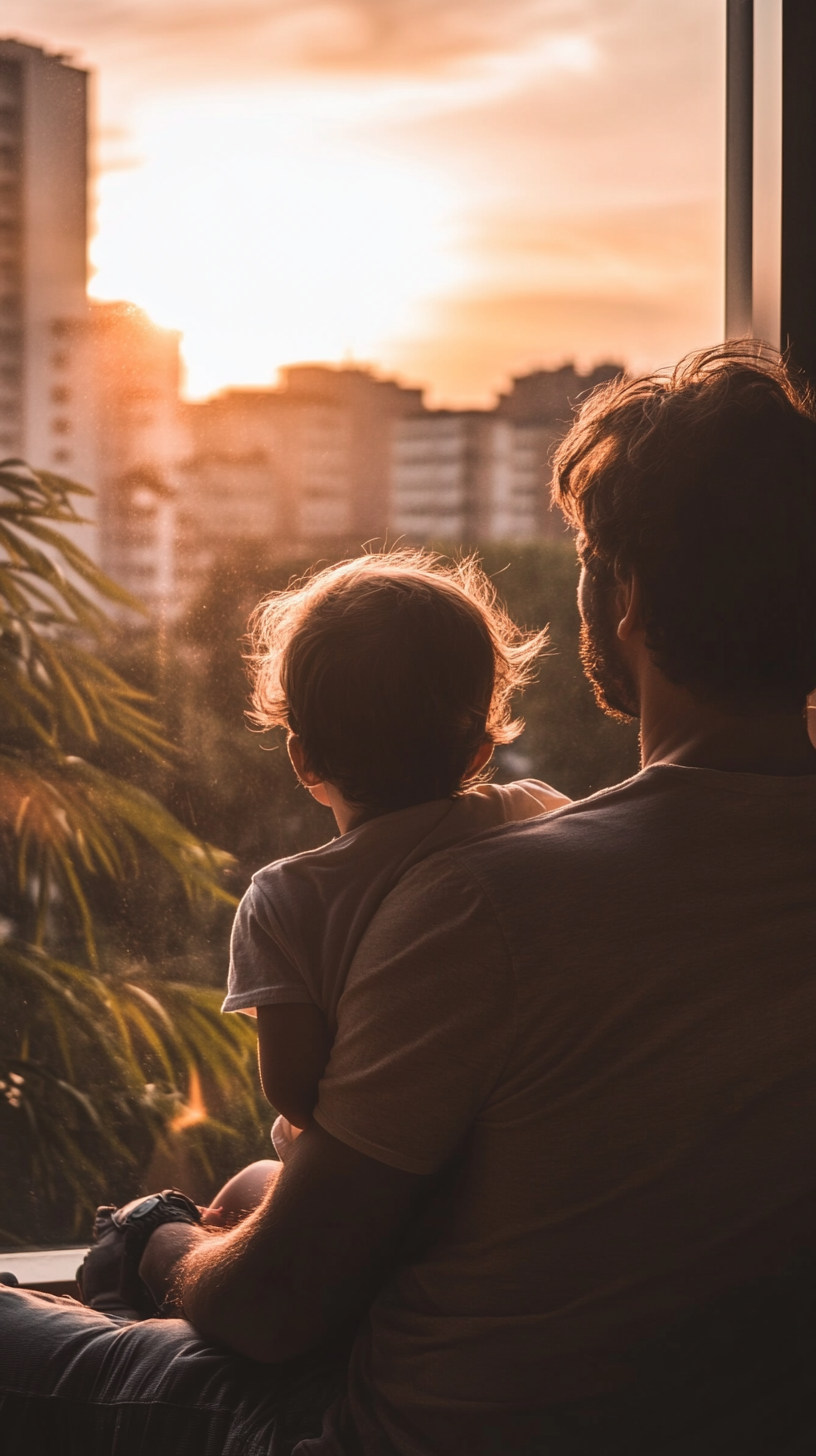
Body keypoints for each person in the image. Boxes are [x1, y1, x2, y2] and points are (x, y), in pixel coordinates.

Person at [2, 341, 816, 1456]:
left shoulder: (499, 902)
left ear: (623, 596)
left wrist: (161, 1247)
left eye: (585, 554)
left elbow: (272, 1308)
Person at [218, 552, 568, 1190]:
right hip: (516, 1162)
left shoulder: (283, 900)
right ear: (478, 753)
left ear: (303, 760)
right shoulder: (533, 811)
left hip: (364, 1182)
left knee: (241, 1188)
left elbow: (294, 1092)